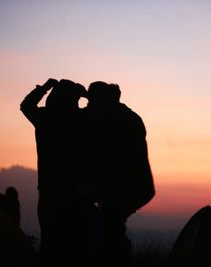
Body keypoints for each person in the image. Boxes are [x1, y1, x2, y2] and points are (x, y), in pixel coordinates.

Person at [85, 81, 155, 266]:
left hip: (127, 188)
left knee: (110, 231)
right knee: (111, 229)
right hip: (132, 188)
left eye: (91, 101)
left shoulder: (117, 120)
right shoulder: (124, 116)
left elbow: (112, 159)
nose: (88, 106)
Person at [20, 78, 90, 265]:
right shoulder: (82, 118)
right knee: (78, 245)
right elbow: (99, 110)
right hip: (79, 190)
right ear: (74, 99)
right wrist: (86, 95)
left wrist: (44, 87)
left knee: (51, 244)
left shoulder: (45, 117)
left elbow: (26, 105)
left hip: (50, 188)